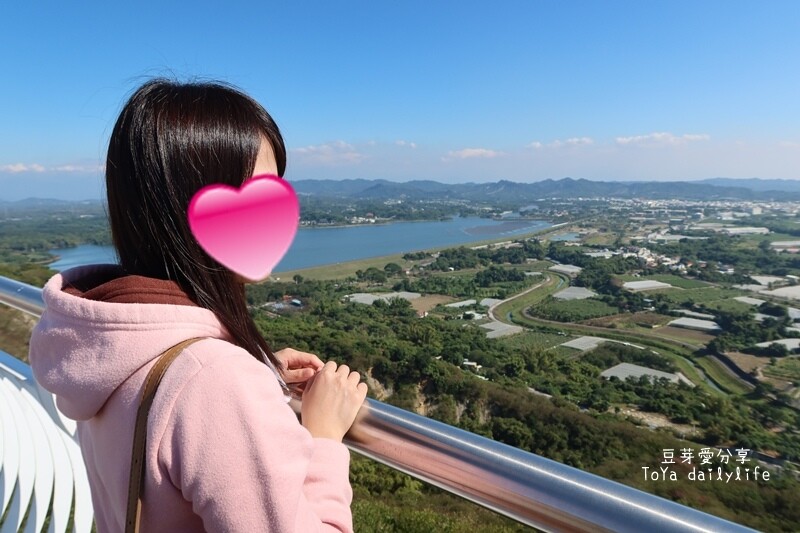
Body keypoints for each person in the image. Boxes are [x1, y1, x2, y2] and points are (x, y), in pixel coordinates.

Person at [28, 79, 367, 532]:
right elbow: (203, 395)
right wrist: (324, 436)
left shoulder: (107, 346)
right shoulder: (215, 383)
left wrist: (255, 371)